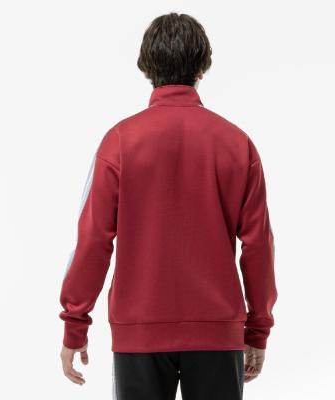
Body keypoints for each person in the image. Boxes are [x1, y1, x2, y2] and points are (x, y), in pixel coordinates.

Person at [59, 12, 277, 400]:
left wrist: (75, 323)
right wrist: (257, 329)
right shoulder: (236, 144)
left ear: (146, 68)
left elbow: (93, 240)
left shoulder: (119, 142)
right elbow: (258, 245)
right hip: (216, 332)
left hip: (139, 330)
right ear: (202, 68)